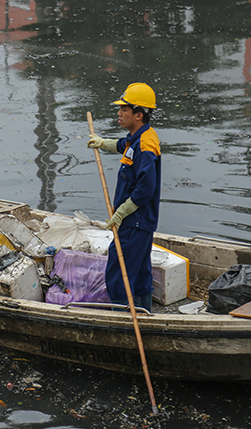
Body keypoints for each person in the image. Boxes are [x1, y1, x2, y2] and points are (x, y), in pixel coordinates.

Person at [87, 83, 161, 312]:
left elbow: (146, 189)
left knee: (119, 270)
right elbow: (123, 146)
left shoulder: (146, 144)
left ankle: (121, 318)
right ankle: (142, 311)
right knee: (139, 269)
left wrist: (120, 213)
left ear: (138, 115)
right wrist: (102, 142)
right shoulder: (137, 137)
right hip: (139, 221)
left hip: (135, 220)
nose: (118, 114)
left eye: (124, 110)